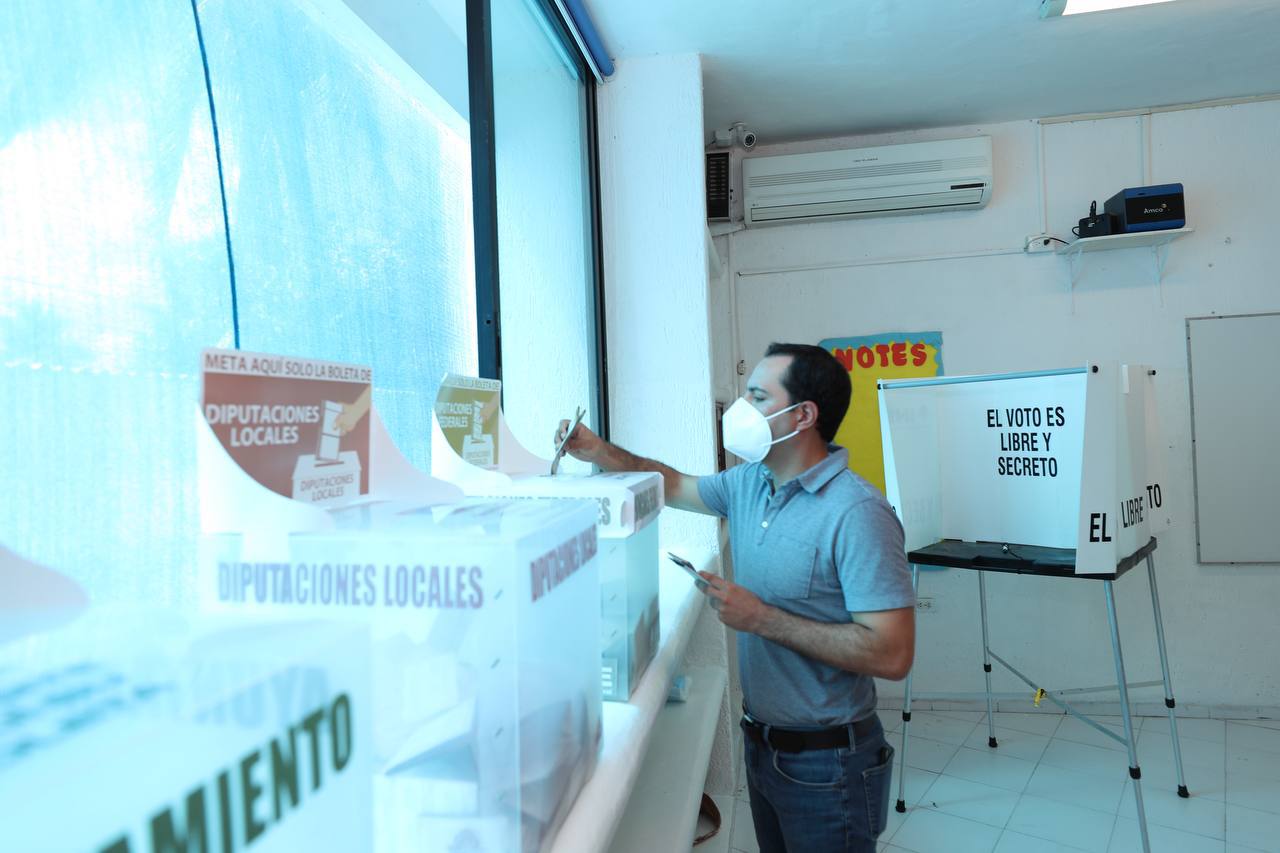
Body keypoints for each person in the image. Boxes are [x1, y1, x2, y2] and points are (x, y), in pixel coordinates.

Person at [556, 342, 915, 852]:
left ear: (803, 415)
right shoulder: (751, 482)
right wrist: (599, 452)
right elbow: (673, 483)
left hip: (829, 763)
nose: (739, 412)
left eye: (756, 398)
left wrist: (762, 618)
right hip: (763, 748)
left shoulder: (857, 512)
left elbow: (893, 653)